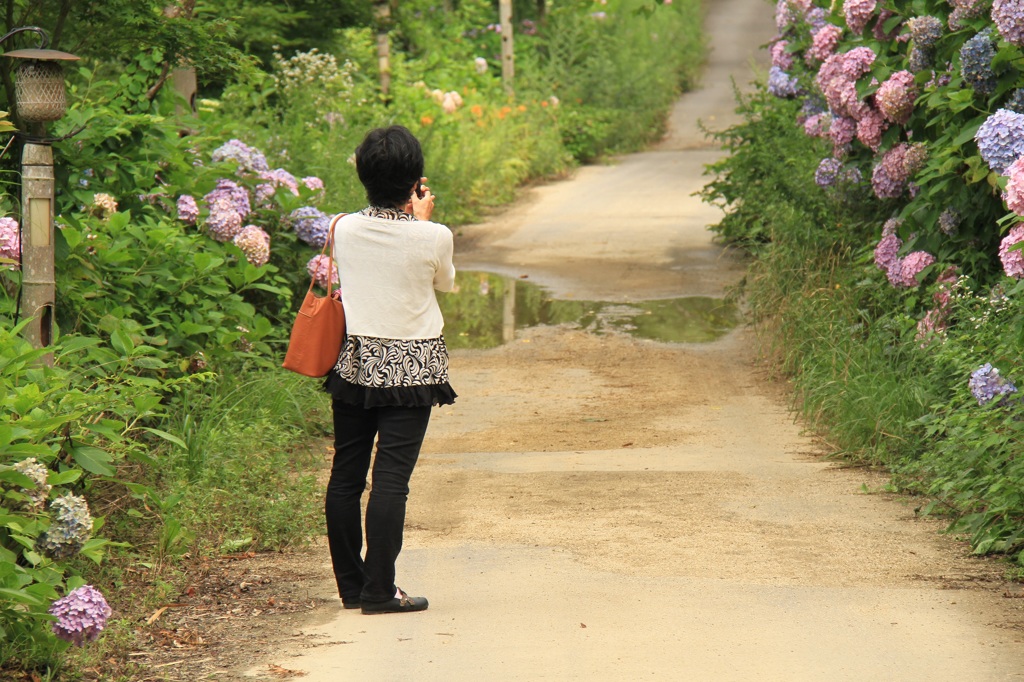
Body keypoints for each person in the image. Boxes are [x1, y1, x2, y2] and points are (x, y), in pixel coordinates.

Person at [322, 125, 456, 615]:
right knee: (391, 481)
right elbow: (447, 282)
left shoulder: (340, 227)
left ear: (361, 172)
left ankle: (352, 587)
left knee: (346, 476)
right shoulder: (434, 236)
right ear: (414, 181)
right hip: (413, 366)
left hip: (355, 360)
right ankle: (381, 590)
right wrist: (419, 220)